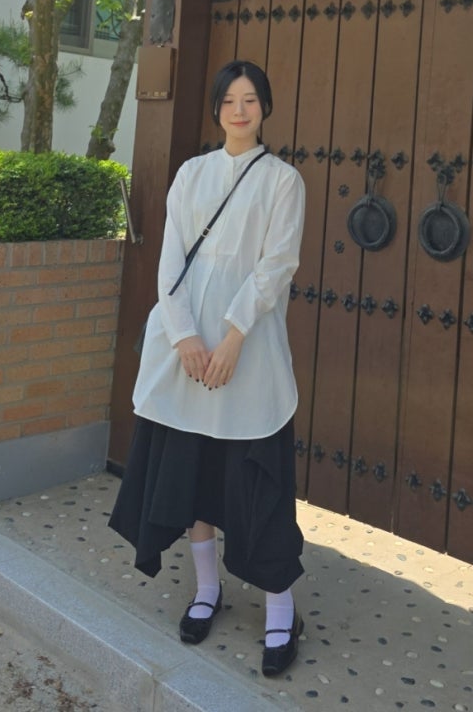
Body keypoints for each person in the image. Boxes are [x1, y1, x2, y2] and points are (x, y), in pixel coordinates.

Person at [108, 60, 306, 677]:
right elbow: (171, 262)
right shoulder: (192, 174)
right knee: (191, 476)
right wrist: (186, 336)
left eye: (250, 99)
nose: (239, 110)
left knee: (256, 483)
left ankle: (281, 609)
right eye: (228, 100)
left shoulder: (283, 181)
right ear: (216, 108)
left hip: (249, 354)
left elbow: (276, 266)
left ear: (265, 107)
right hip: (188, 354)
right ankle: (206, 589)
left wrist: (233, 338)